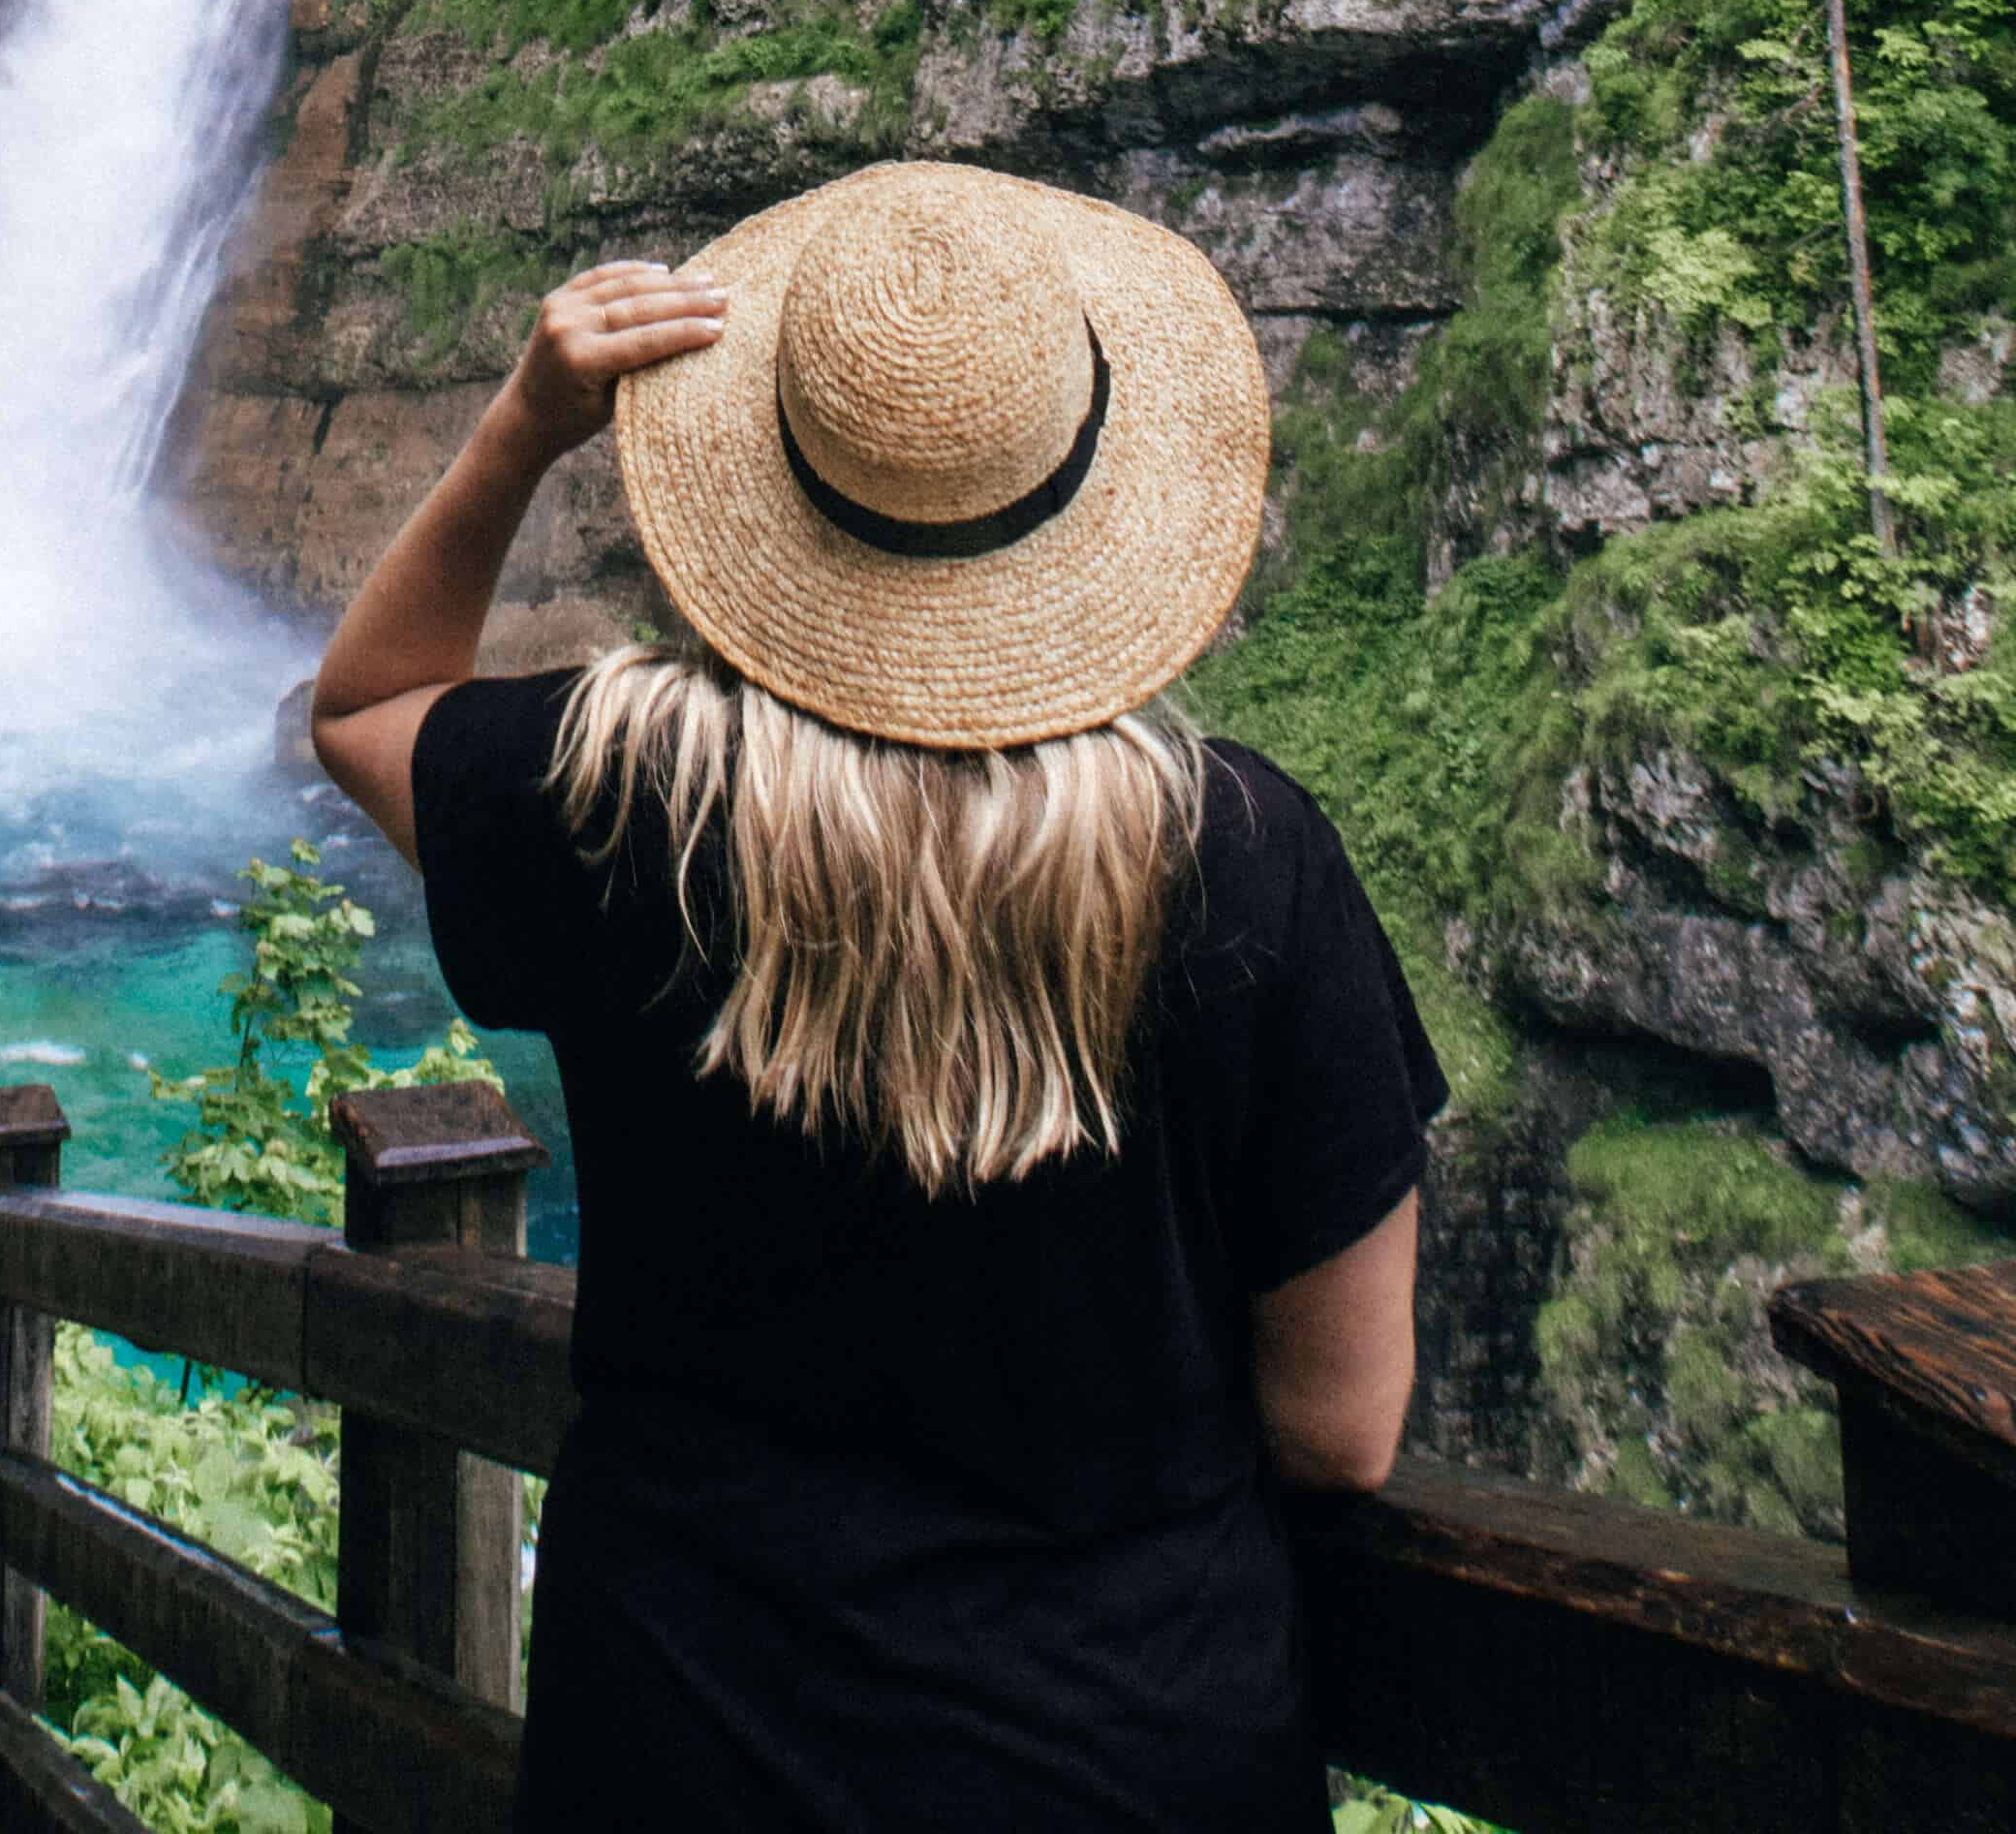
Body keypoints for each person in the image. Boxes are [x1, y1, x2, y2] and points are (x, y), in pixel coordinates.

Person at [310, 159, 1442, 1834]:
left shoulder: (624, 803)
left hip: (677, 1738)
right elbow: (1343, 1432)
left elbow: (368, 701)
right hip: (1128, 1757)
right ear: (1086, 497)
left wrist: (523, 427)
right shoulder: (1245, 861)